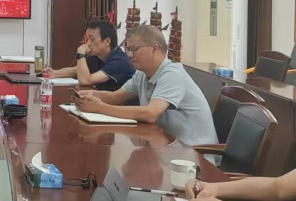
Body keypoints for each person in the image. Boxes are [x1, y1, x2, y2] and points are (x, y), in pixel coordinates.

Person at [74, 24, 217, 146]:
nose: (129, 55)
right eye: (128, 49)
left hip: (194, 153)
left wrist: (100, 107)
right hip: (167, 145)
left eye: (133, 49)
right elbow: (116, 97)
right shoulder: (142, 74)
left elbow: (150, 114)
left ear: (154, 48)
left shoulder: (172, 74)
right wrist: (90, 95)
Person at [43, 18, 134, 90]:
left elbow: (85, 80)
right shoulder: (97, 55)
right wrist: (54, 73)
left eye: (92, 39)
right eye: (88, 39)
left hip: (124, 106)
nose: (88, 43)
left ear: (106, 41)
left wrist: (81, 53)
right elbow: (76, 70)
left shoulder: (119, 61)